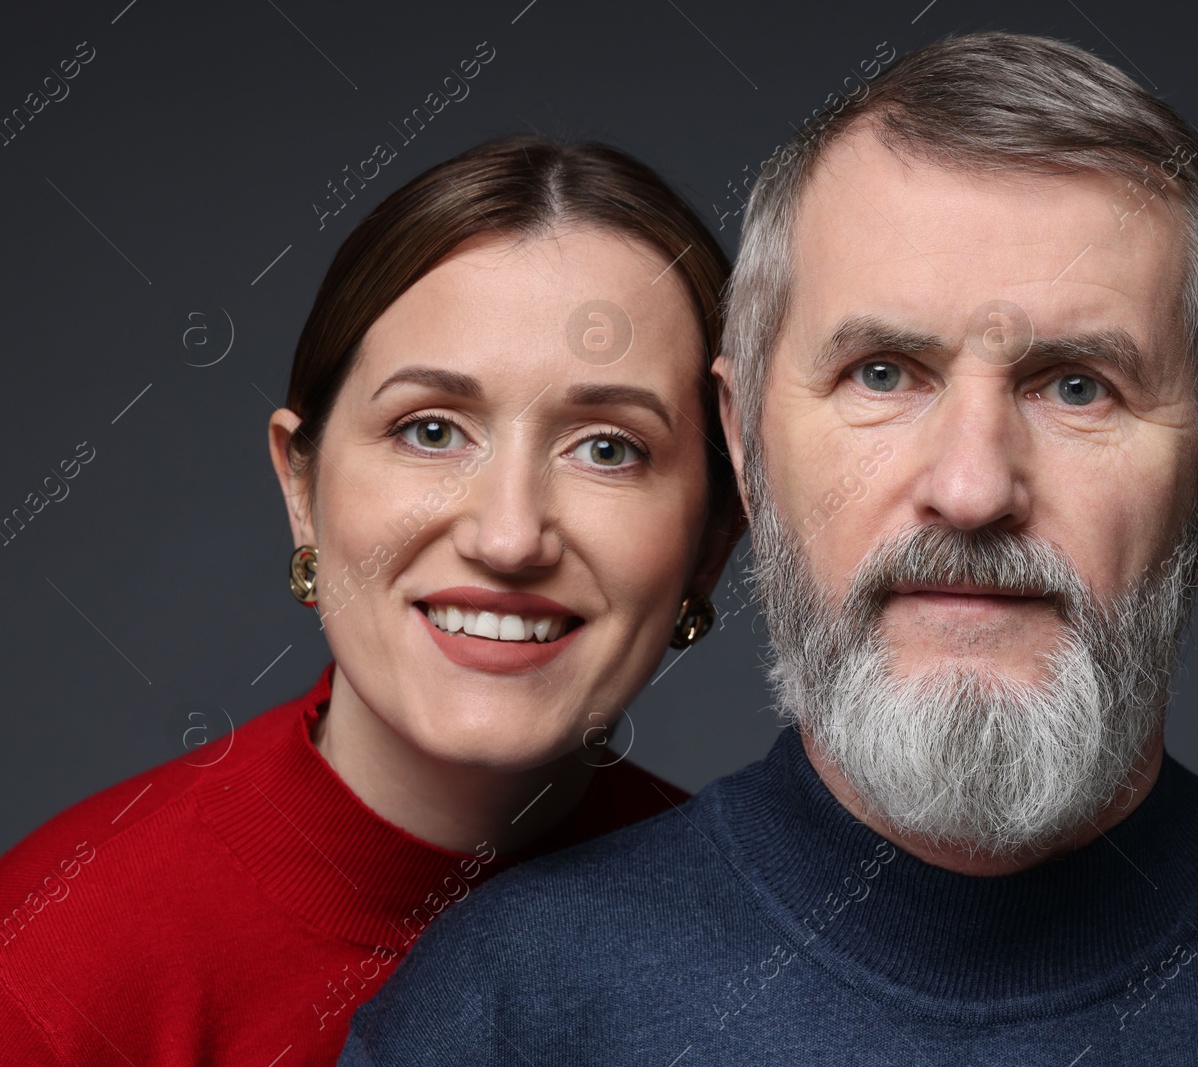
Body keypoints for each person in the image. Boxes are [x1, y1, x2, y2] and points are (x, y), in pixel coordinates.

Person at [339, 32, 1198, 1065]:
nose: (973, 485)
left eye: (1077, 386)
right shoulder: (502, 1017)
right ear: (745, 440)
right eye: (884, 371)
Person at [0, 133, 743, 1064]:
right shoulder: (49, 969)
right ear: (300, 487)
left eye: (607, 447)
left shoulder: (772, 940)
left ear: (715, 539)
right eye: (430, 430)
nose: (509, 536)